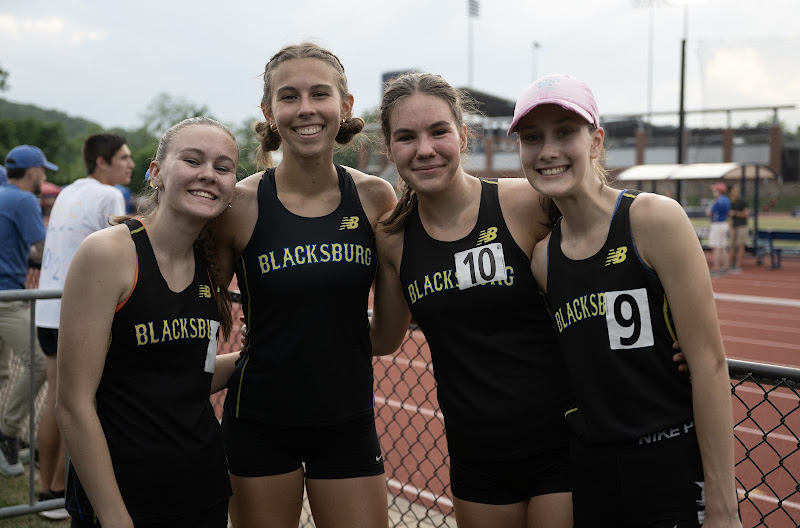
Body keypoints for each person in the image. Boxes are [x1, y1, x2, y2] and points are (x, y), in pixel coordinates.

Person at [512, 73, 741, 527]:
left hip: (669, 463)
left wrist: (723, 506)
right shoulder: (543, 259)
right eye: (532, 138)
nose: (548, 150)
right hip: (592, 470)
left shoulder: (654, 219)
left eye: (565, 132)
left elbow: (710, 365)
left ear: (595, 141)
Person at [368, 72, 573, 528]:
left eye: (438, 131)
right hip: (475, 458)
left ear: (462, 135)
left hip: (563, 447)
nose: (424, 149)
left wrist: (667, 332)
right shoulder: (393, 239)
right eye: (406, 137)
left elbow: (609, 251)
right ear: (389, 148)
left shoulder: (528, 203)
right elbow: (383, 338)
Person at [213, 42, 397, 528]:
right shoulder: (239, 205)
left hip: (348, 422)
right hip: (258, 423)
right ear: (269, 111)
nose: (306, 109)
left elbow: (388, 336)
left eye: (320, 94)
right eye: (289, 97)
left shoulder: (377, 198)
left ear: (346, 106)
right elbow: (197, 318)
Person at [56, 117, 240, 528]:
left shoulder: (210, 265)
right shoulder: (109, 253)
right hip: (123, 498)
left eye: (223, 167)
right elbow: (73, 404)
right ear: (155, 172)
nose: (208, 175)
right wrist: (114, 516)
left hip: (202, 491)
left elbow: (188, 377)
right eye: (193, 160)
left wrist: (256, 359)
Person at [34, 133, 134, 515]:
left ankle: (47, 488)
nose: (130, 164)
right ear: (102, 162)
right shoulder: (109, 196)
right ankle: (59, 491)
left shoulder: (67, 192)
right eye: (123, 158)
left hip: (46, 309)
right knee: (78, 403)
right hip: (75, 311)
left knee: (57, 399)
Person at [0, 145, 55, 477]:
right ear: (33, 172)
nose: (45, 177)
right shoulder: (23, 200)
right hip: (7, 296)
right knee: (38, 362)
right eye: (43, 171)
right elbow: (43, 248)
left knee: (3, 373)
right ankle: (7, 434)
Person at [707, 182, 731, 277]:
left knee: (716, 247)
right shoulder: (726, 200)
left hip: (717, 224)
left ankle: (716, 267)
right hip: (724, 223)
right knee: (723, 246)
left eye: (715, 190)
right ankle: (725, 266)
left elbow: (709, 213)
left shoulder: (718, 201)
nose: (713, 192)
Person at [728, 184, 748, 273]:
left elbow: (746, 214)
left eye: (737, 190)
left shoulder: (742, 202)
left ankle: (738, 265)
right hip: (733, 226)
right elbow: (727, 216)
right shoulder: (729, 202)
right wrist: (730, 227)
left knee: (740, 245)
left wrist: (735, 213)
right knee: (732, 245)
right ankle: (730, 264)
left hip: (742, 226)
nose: (736, 192)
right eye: (735, 190)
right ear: (731, 192)